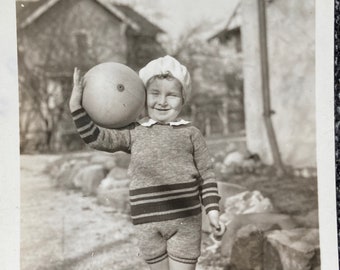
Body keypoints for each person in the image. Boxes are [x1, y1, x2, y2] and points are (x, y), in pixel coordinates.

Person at [69, 55, 223, 270]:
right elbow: (97, 138)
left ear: (183, 99)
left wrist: (213, 211)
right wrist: (76, 106)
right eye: (155, 94)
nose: (162, 101)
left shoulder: (191, 134)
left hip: (185, 220)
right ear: (142, 97)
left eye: (171, 95)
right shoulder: (134, 132)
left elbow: (206, 174)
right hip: (147, 223)